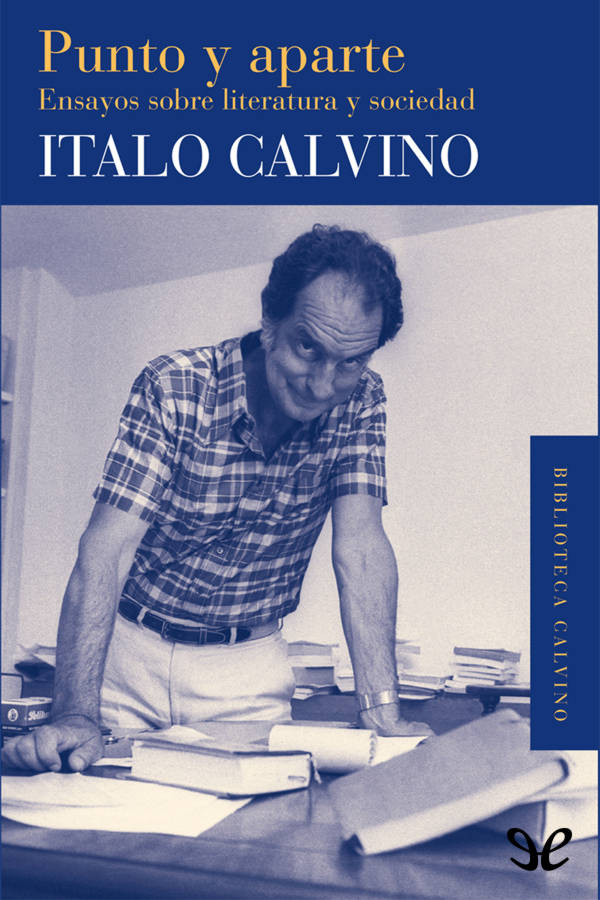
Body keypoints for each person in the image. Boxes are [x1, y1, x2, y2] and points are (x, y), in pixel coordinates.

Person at [2, 224, 431, 773]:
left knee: (255, 815)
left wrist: (382, 711)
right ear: (270, 321)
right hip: (129, 657)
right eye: (308, 347)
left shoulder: (363, 402)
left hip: (245, 672)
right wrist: (76, 712)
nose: (323, 385)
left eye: (350, 361)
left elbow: (362, 550)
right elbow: (107, 550)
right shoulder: (175, 386)